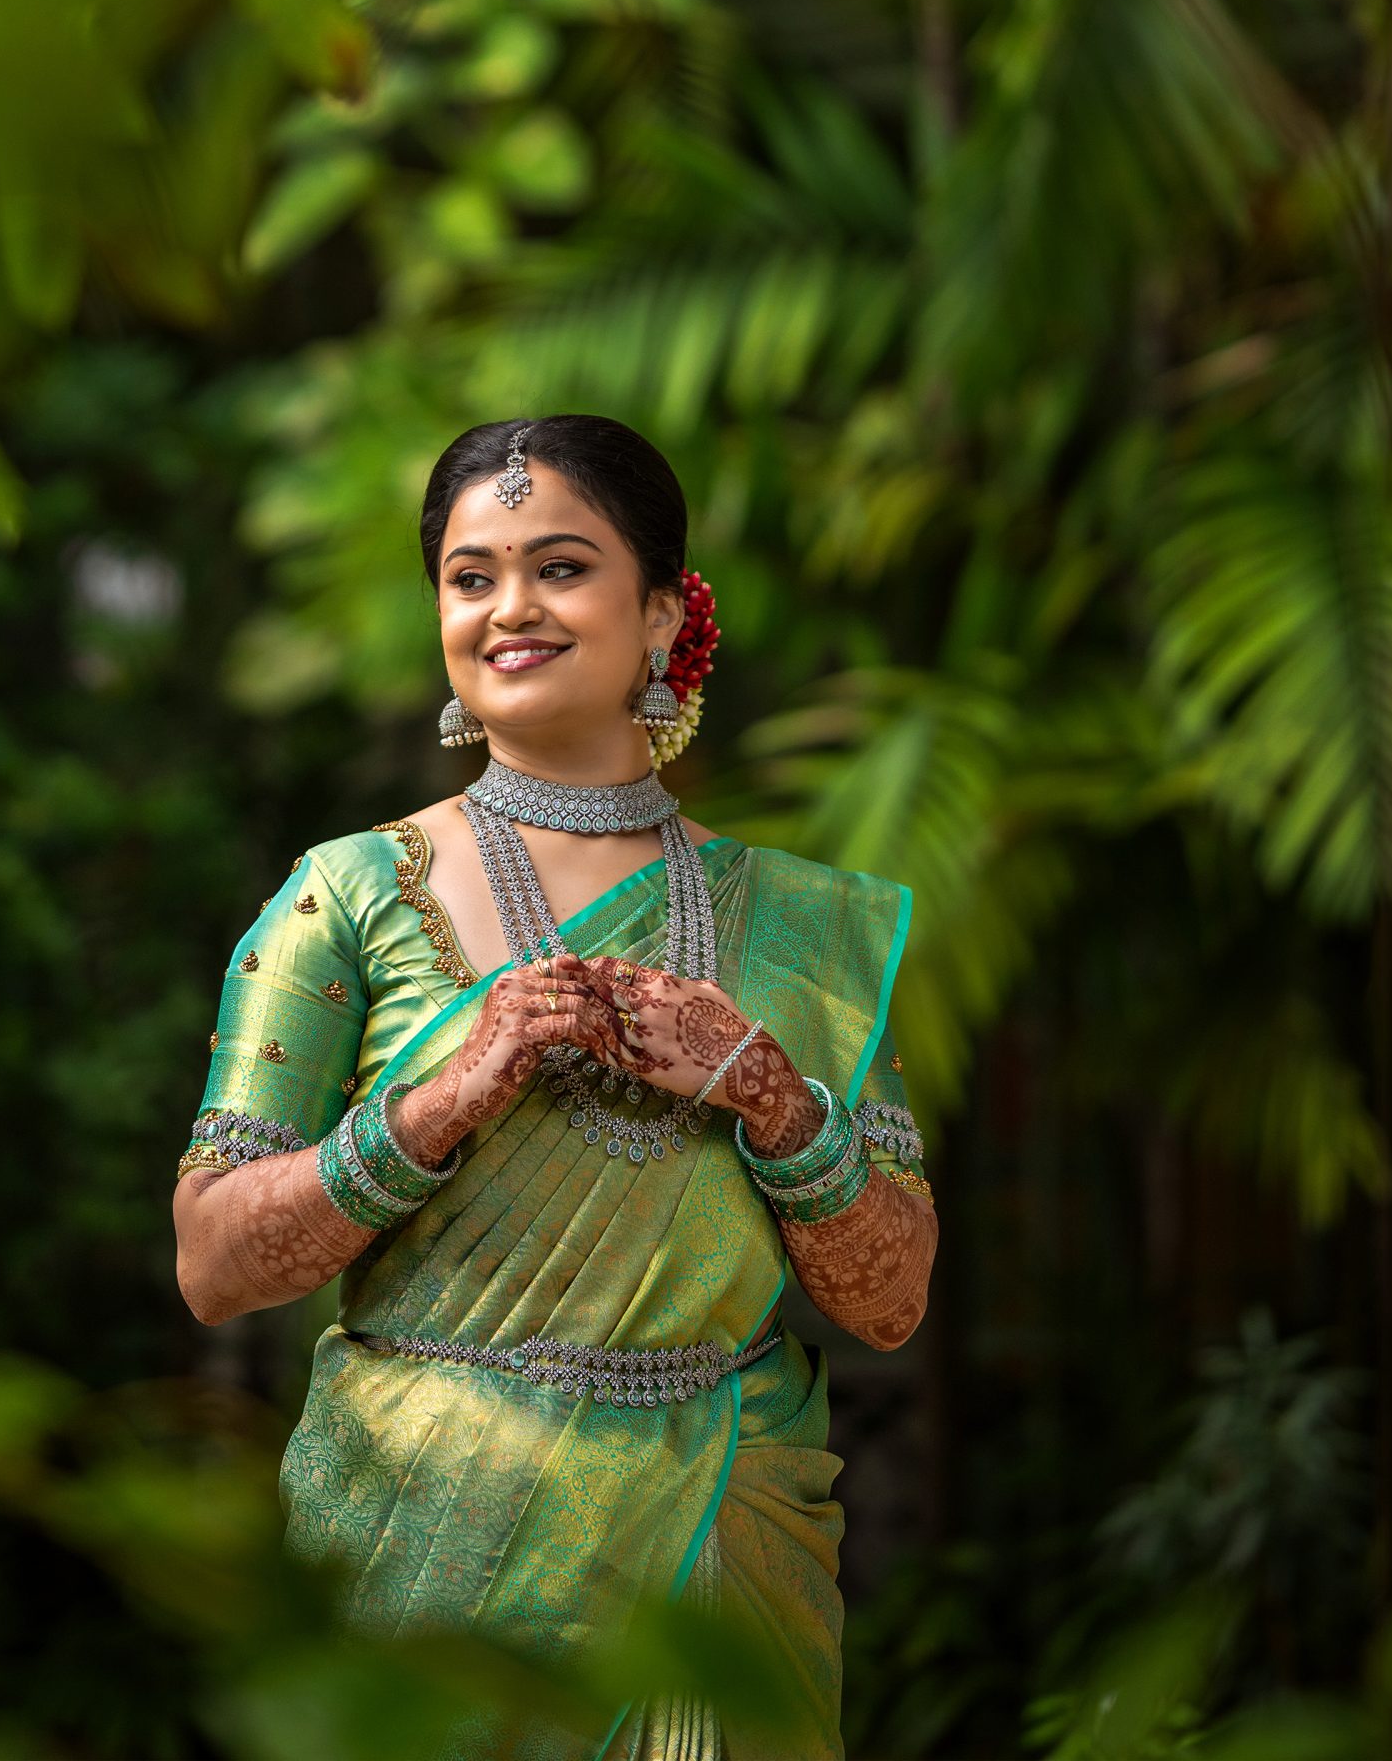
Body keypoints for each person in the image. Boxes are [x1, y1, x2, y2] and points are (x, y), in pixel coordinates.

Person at [171, 415, 937, 1761]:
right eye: (471, 577)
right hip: (423, 1546)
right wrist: (442, 1103)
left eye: (562, 567)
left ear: (663, 615)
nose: (509, 607)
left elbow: (892, 1298)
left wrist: (768, 1094)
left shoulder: (806, 929)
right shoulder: (346, 894)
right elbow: (215, 1263)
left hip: (716, 1549)